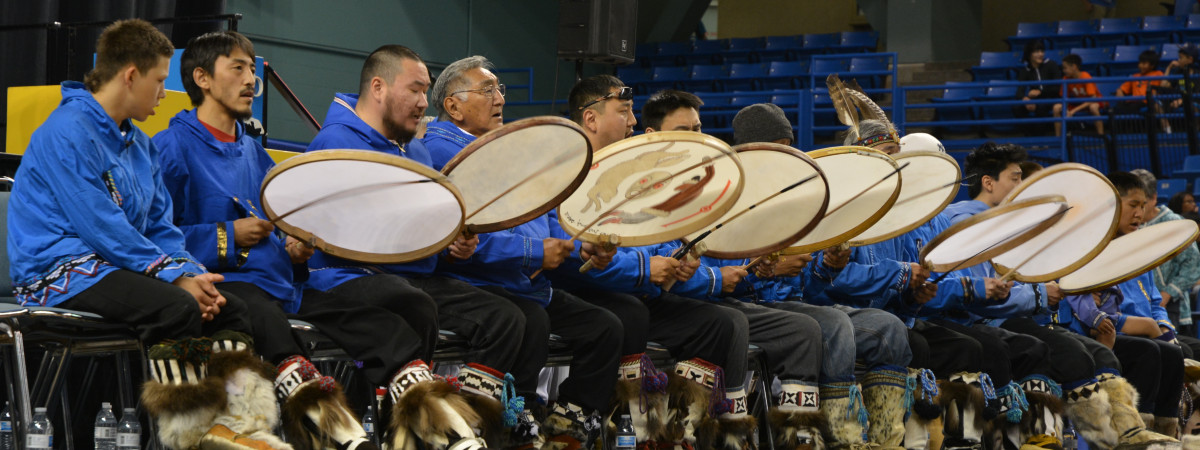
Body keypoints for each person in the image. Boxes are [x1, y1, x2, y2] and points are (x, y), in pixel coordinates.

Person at [154, 31, 488, 450]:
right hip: (228, 287)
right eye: (237, 68)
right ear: (201, 78)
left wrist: (293, 250)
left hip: (287, 287)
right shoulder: (170, 148)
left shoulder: (254, 152)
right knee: (266, 318)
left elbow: (281, 230)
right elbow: (155, 239)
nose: (251, 80)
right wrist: (227, 235)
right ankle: (338, 434)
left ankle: (422, 433)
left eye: (252, 69)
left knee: (385, 323)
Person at [5, 19, 290, 449]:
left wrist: (193, 274)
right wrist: (173, 277)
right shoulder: (66, 131)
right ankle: (192, 435)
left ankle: (242, 427)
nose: (164, 93)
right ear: (131, 75)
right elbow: (102, 226)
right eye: (159, 80)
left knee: (227, 307)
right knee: (175, 307)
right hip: (60, 269)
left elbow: (161, 225)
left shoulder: (138, 143)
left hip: (115, 265)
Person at [301, 47, 538, 447]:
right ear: (378, 87)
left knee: (506, 317)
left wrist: (452, 245)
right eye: (414, 90)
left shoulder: (417, 150)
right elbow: (336, 236)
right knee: (411, 304)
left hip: (411, 276)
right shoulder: (335, 143)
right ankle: (419, 429)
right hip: (348, 278)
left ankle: (473, 425)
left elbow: (427, 229)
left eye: (426, 91)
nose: (422, 103)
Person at [544, 84, 751, 447]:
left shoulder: (635, 173)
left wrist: (676, 262)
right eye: (623, 111)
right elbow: (569, 251)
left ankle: (677, 428)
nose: (633, 120)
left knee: (719, 324)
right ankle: (624, 429)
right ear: (590, 117)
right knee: (628, 313)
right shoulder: (562, 170)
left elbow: (652, 235)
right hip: (585, 291)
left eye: (632, 111)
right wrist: (646, 269)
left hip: (636, 290)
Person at [429, 70, 624, 449]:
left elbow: (546, 215)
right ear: (453, 106)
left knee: (606, 327)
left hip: (526, 284)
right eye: (487, 90)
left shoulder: (504, 148)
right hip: (484, 283)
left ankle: (563, 431)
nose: (500, 97)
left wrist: (575, 246)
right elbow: (463, 237)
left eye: (500, 88)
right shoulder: (442, 153)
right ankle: (502, 427)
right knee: (528, 319)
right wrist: (536, 252)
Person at [942, 145, 1177, 450]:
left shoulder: (1009, 223)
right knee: (1063, 352)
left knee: (1103, 355)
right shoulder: (973, 220)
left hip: (1019, 315)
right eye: (1016, 179)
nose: (1022, 188)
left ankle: (1124, 434)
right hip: (990, 318)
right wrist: (1043, 295)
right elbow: (986, 290)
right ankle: (1053, 438)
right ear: (989, 182)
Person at [729, 103, 919, 450]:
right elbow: (724, 270)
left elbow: (811, 288)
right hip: (747, 304)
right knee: (833, 324)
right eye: (781, 146)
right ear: (754, 150)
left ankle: (884, 441)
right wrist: (766, 269)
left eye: (790, 144)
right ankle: (841, 437)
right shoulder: (732, 196)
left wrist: (827, 267)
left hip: (793, 304)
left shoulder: (798, 198)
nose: (790, 154)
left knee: (888, 328)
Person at [1131, 169, 1200, 339]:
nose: (1137, 212)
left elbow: (1193, 262)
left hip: (1171, 306)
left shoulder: (1173, 223)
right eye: (1132, 205)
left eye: (1141, 204)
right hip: (1139, 308)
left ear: (1153, 198)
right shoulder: (1127, 226)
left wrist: (1168, 293)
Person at [1015, 40, 1062, 135]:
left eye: (1042, 51)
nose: (1040, 54)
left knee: (1041, 107)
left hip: (1052, 98)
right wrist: (1025, 99)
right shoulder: (1025, 70)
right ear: (1029, 54)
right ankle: (1029, 137)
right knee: (1017, 107)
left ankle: (1041, 138)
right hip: (1036, 100)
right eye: (1037, 52)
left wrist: (1040, 92)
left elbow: (1057, 88)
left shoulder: (1051, 65)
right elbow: (1019, 91)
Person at [1054, 53, 1106, 136]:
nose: (1063, 71)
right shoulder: (1065, 78)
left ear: (1074, 67)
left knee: (1093, 107)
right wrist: (1065, 107)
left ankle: (1101, 136)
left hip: (1095, 101)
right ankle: (1058, 138)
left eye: (1065, 68)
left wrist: (1073, 111)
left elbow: (1093, 98)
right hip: (1080, 103)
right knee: (1057, 107)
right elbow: (1064, 97)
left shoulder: (1086, 76)